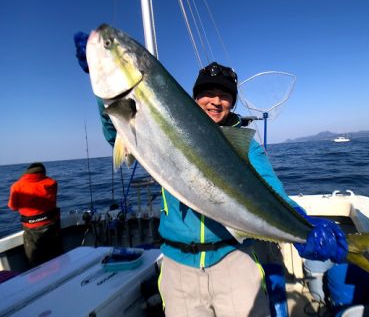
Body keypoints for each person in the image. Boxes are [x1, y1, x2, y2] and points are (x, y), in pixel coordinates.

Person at [74, 33, 348, 317]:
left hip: (233, 259)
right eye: (208, 93)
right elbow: (117, 130)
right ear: (194, 97)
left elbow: (269, 187)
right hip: (177, 267)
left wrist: (302, 223)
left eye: (225, 95)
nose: (216, 101)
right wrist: (101, 88)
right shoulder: (159, 126)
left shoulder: (244, 143)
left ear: (232, 102)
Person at [8, 162, 63, 267]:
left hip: (31, 228)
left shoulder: (16, 186)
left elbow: (13, 207)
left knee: (35, 259)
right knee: (56, 254)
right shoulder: (52, 183)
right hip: (52, 225)